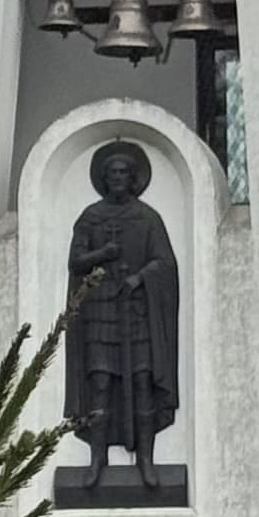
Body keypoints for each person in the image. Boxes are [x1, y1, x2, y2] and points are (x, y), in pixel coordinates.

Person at [63, 141, 179, 491]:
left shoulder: (147, 218)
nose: (117, 178)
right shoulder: (91, 217)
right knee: (99, 383)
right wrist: (104, 252)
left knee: (142, 381)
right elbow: (76, 262)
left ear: (133, 179)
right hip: (100, 312)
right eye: (112, 173)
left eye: (124, 173)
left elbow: (165, 262)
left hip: (135, 310)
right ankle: (97, 459)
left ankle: (146, 458)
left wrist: (140, 277)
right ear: (104, 177)